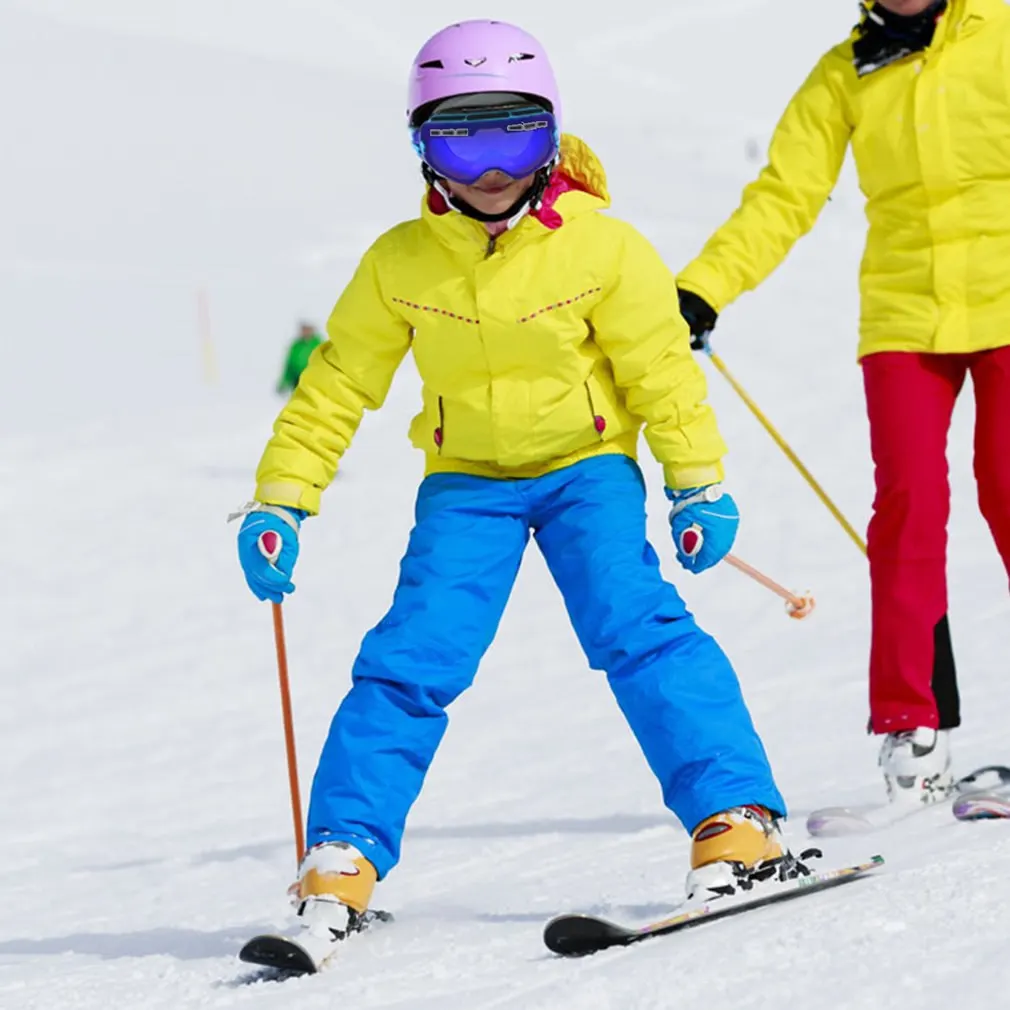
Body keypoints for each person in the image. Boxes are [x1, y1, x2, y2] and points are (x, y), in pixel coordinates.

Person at [234, 19, 794, 971]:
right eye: (463, 138)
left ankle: (738, 820)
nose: (491, 170)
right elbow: (336, 385)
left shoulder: (605, 249)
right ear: (423, 145)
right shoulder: (401, 263)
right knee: (410, 659)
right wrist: (280, 500)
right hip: (467, 488)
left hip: (589, 471)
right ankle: (341, 858)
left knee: (639, 627)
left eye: (515, 137)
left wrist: (697, 485)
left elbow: (662, 371)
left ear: (551, 136)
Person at [676, 0, 1010, 806]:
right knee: (907, 503)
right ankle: (911, 730)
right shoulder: (844, 73)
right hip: (904, 317)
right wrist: (703, 287)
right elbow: (784, 196)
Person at [276, 321, 323, 394]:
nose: (305, 331)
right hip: (297, 382)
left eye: (307, 329)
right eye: (303, 329)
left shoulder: (319, 344)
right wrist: (284, 382)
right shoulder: (296, 346)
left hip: (314, 382)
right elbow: (289, 366)